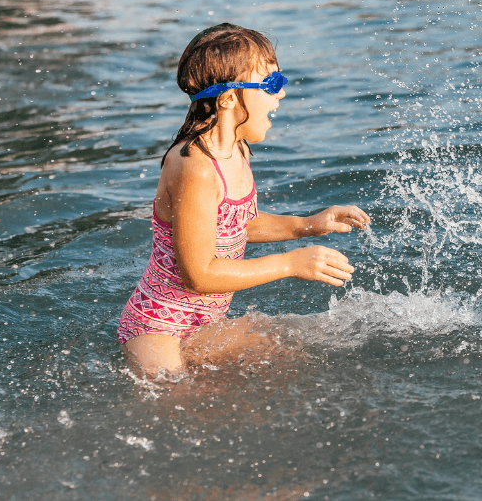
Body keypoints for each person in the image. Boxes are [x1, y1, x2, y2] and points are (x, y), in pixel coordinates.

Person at [117, 23, 370, 377]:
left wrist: (306, 226)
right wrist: (289, 264)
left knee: (294, 361)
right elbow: (199, 274)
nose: (280, 95)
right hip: (159, 329)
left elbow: (236, 224)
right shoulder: (195, 168)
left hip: (204, 325)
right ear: (229, 98)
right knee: (177, 407)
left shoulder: (235, 150)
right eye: (271, 85)